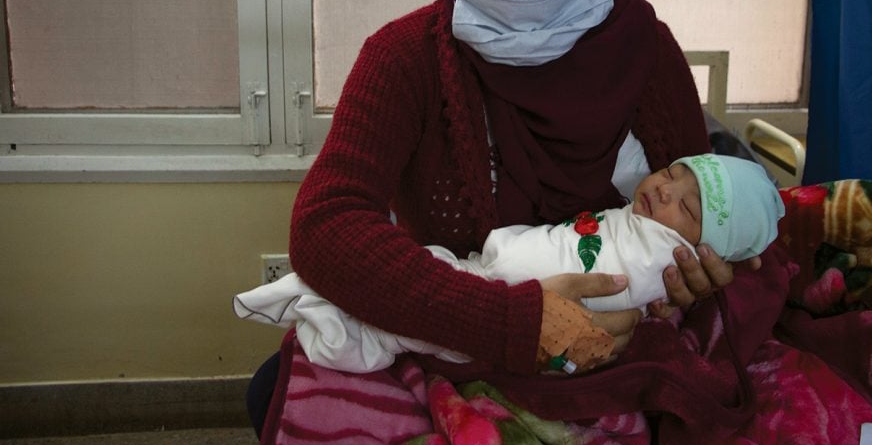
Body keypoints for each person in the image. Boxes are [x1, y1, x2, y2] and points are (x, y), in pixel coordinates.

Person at [246, 0, 756, 440]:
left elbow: (699, 197)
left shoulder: (644, 50)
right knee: (275, 389)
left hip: (616, 333)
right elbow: (327, 227)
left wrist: (698, 270)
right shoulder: (404, 57)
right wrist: (509, 322)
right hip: (464, 325)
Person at [236, 154, 784, 374]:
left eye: (687, 205)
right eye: (668, 172)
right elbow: (324, 226)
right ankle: (326, 311)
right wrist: (504, 313)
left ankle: (337, 326)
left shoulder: (666, 249)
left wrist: (692, 286)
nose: (663, 191)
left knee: (397, 332)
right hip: (477, 290)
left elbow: (641, 285)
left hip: (513, 298)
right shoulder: (403, 56)